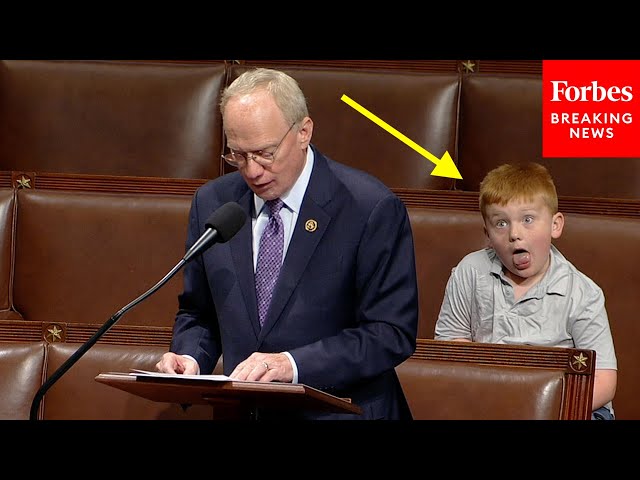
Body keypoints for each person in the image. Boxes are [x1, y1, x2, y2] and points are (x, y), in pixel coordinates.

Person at [156, 67, 419, 420]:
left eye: (265, 153)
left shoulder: (368, 208)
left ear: (303, 132)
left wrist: (292, 365)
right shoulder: (214, 203)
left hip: (340, 413)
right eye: (238, 155)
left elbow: (390, 334)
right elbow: (199, 313)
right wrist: (189, 357)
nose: (252, 171)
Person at [434, 162, 617, 420]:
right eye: (501, 224)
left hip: (566, 407)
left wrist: (541, 409)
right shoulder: (471, 271)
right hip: (488, 400)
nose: (515, 234)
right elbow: (450, 345)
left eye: (528, 219)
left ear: (555, 225)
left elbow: (604, 380)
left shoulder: (583, 293)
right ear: (487, 233)